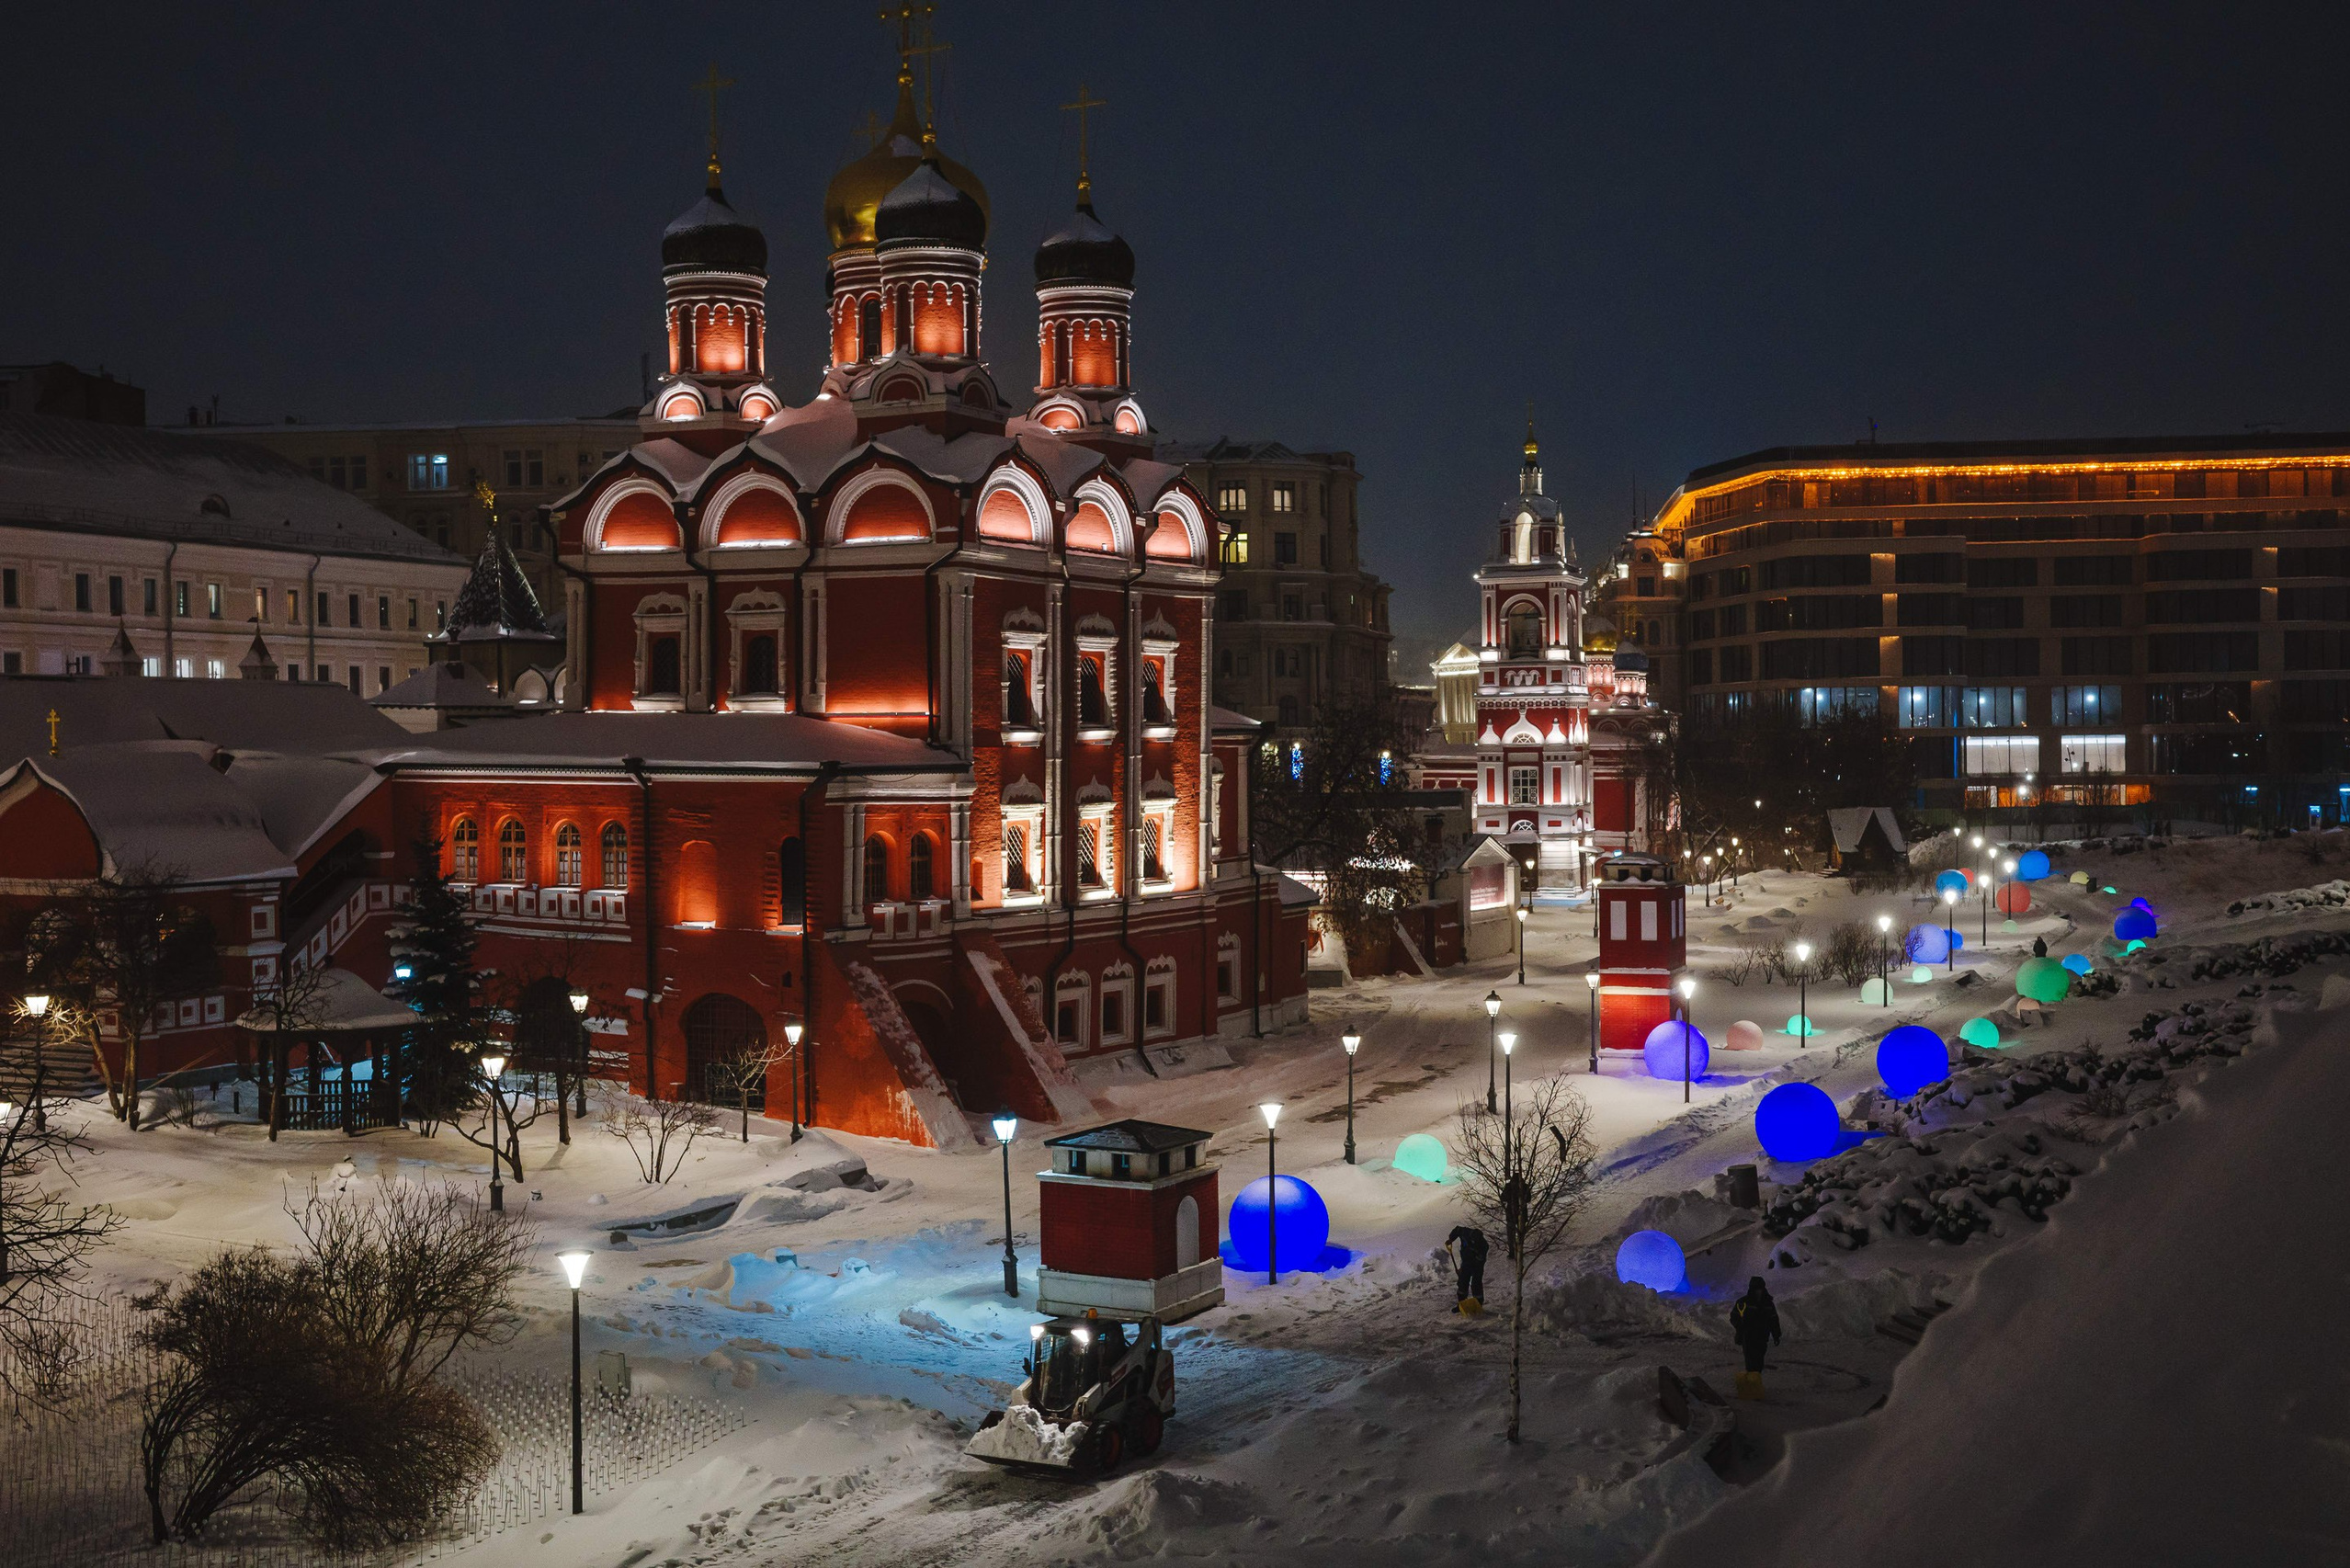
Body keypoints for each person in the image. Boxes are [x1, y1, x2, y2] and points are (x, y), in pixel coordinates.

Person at [1729, 1276, 1782, 1399]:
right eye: (1756, 1288)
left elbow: (1773, 1319)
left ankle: (1754, 1382)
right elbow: (1734, 1317)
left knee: (1759, 1361)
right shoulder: (1743, 1302)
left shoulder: (1768, 1303)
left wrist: (1776, 1334)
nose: (1759, 1291)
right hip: (1748, 1336)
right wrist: (1740, 1326)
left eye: (1760, 1288)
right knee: (1750, 1360)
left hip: (1762, 1336)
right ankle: (1751, 1387)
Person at [1445, 1224, 1488, 1312]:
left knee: (1476, 1285)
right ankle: (1461, 1304)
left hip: (1477, 1265)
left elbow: (1480, 1260)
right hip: (1466, 1262)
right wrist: (1451, 1239)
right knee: (1462, 1283)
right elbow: (1457, 1230)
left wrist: (1467, 1268)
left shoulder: (1484, 1246)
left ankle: (1478, 1305)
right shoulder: (1465, 1232)